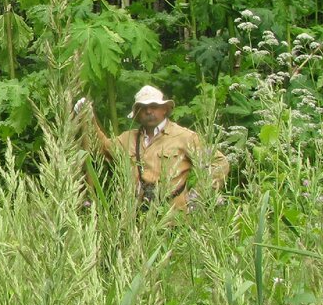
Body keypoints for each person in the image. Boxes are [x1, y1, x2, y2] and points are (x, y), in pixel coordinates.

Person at [74, 85, 229, 212]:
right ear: (137, 113)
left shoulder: (184, 137)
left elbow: (219, 162)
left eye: (153, 106)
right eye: (143, 108)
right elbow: (100, 148)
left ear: (165, 109)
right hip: (134, 222)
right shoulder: (128, 139)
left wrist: (198, 195)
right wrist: (89, 118)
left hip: (173, 221)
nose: (148, 111)